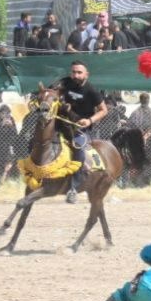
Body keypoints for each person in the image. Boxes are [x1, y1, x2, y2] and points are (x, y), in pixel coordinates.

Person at [54, 61, 108, 204]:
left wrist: (89, 121)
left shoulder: (92, 91)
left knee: (79, 151)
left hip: (79, 128)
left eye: (79, 72)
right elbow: (52, 92)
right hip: (61, 123)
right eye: (73, 72)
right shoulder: (65, 83)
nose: (76, 75)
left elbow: (104, 110)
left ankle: (73, 189)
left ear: (86, 75)